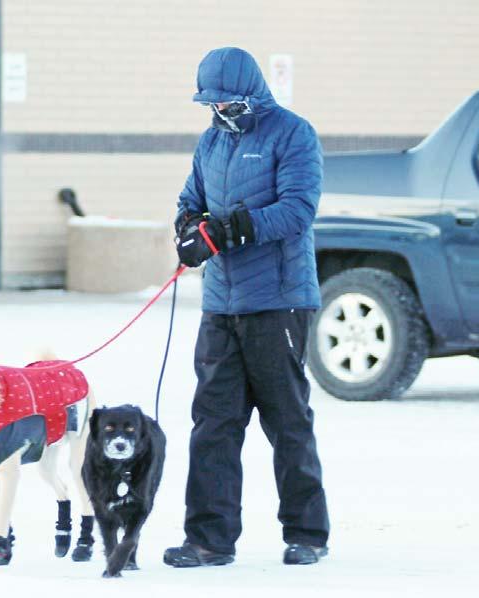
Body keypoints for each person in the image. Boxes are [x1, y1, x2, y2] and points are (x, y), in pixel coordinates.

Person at [164, 47, 330, 567]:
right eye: (212, 104)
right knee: (213, 422)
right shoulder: (211, 142)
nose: (220, 111)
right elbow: (190, 202)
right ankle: (208, 539)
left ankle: (307, 533)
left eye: (228, 102)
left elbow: (297, 211)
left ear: (252, 93)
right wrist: (190, 230)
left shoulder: (293, 133)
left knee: (286, 420)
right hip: (221, 304)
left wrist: (231, 229)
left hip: (279, 300)